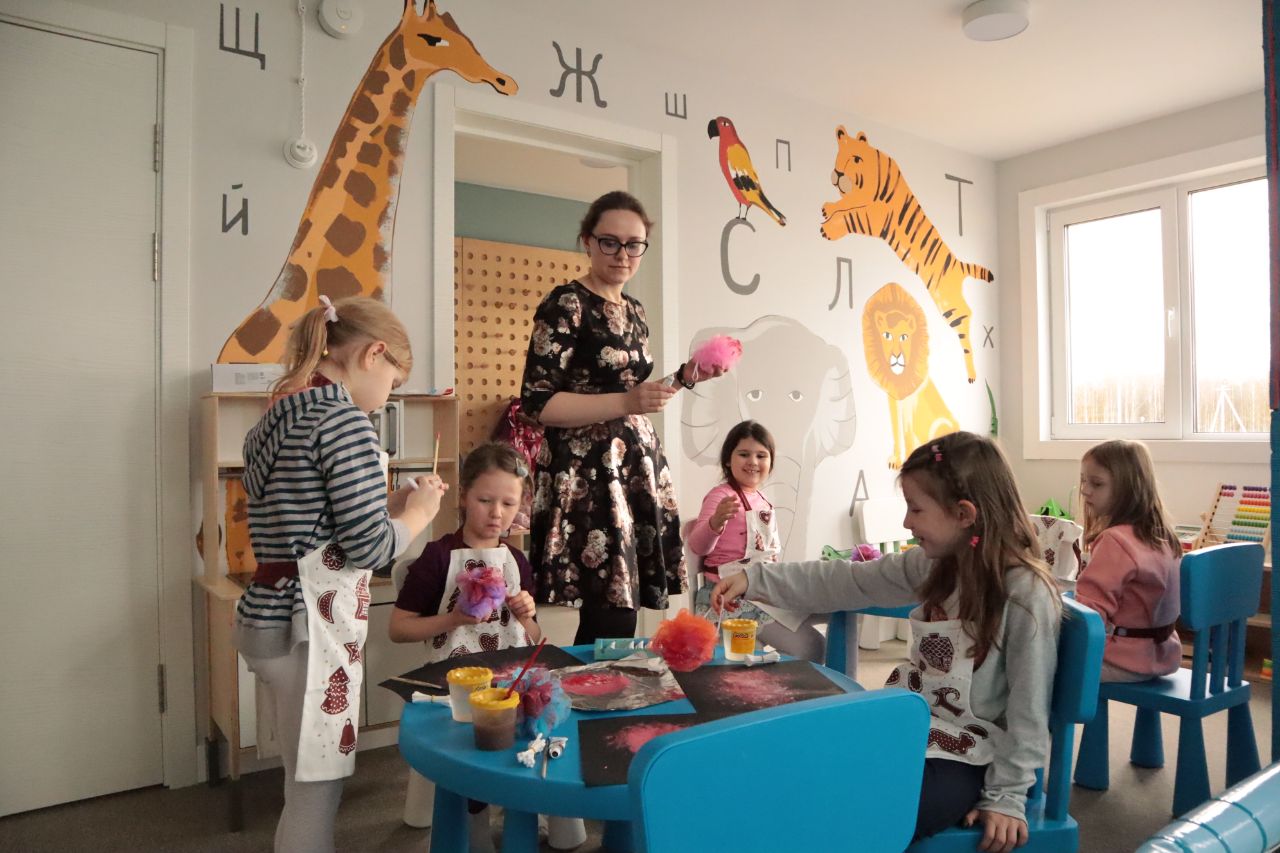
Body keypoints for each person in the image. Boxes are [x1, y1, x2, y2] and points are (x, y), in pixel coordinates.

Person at [712, 432, 1060, 852]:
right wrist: (755, 578)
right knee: (814, 765)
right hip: (908, 723)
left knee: (878, 810)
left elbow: (1029, 709)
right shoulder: (933, 565)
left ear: (964, 514)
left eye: (916, 509)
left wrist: (1006, 795)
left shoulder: (1025, 594)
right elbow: (846, 580)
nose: (907, 523)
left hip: (975, 754)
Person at [234, 296, 448, 853]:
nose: (387, 396)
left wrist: (391, 505)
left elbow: (310, 514)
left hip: (266, 614)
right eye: (393, 382)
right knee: (317, 785)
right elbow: (370, 547)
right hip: (310, 625)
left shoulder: (276, 415)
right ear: (374, 354)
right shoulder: (345, 421)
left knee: (300, 774)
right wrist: (419, 514)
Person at [519, 190, 722, 644]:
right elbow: (538, 403)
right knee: (612, 614)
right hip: (586, 474)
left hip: (631, 467)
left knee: (617, 610)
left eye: (634, 244)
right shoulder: (566, 304)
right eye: (609, 242)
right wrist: (626, 403)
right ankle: (589, 685)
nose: (622, 254)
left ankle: (598, 684)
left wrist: (685, 377)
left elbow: (633, 392)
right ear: (587, 241)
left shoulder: (635, 310)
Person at [390, 441, 585, 852]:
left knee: (550, 721)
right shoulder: (438, 557)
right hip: (456, 684)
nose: (497, 513)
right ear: (463, 496)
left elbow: (534, 637)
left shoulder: (516, 560)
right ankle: (474, 828)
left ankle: (554, 820)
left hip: (514, 676)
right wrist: (455, 619)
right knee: (472, 751)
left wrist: (527, 613)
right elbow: (399, 629)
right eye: (485, 500)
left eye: (508, 504)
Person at [688, 420, 826, 662]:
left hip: (762, 590)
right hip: (730, 599)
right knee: (810, 647)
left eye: (761, 456)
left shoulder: (762, 499)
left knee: (819, 632)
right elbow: (697, 546)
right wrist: (716, 522)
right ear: (728, 460)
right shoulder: (721, 496)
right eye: (744, 454)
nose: (753, 461)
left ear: (770, 462)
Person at [1075, 439, 1182, 682]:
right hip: (1163, 655)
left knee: (1041, 666)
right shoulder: (1164, 536)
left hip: (1123, 660)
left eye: (1097, 483)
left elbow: (1089, 614)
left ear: (1127, 489)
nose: (1085, 490)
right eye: (1083, 481)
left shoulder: (1116, 541)